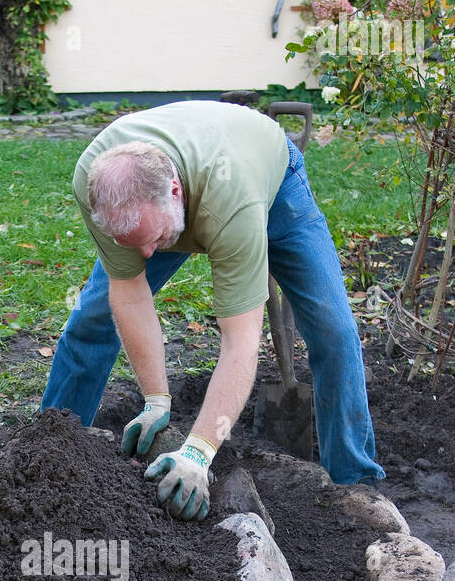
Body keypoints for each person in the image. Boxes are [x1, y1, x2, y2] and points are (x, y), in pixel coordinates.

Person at [40, 100, 384, 520]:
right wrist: (155, 400)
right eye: (135, 242)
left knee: (334, 330)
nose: (148, 255)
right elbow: (129, 293)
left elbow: (240, 342)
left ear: (174, 192)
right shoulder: (96, 181)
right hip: (174, 200)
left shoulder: (231, 206)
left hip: (270, 186)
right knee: (92, 320)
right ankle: (48, 455)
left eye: (154, 239)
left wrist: (199, 452)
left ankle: (354, 484)